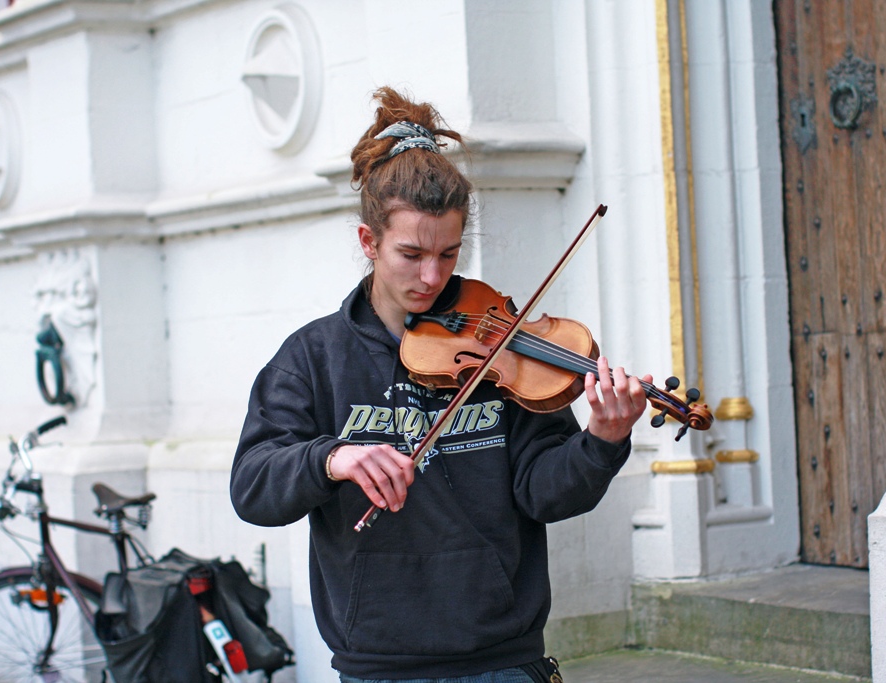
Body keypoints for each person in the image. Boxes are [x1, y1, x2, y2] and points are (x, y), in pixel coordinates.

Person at [230, 86, 651, 682]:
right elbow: (252, 488)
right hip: (380, 664)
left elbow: (545, 494)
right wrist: (332, 459)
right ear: (368, 243)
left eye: (449, 254)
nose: (431, 276)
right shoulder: (314, 357)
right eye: (411, 254)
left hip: (503, 658)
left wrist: (602, 442)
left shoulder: (500, 342)